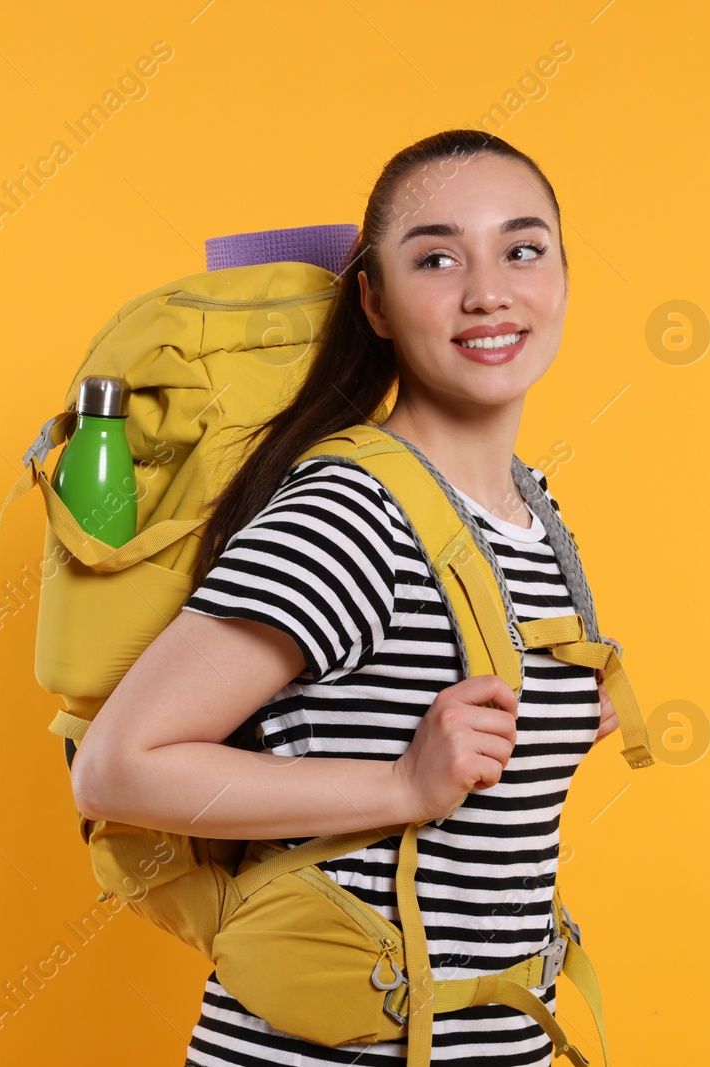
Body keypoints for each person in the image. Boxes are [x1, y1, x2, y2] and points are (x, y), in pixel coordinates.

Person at [69, 128, 628, 1065]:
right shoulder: (354, 509)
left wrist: (569, 704)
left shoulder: (533, 506)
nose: (488, 290)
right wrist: (402, 783)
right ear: (373, 298)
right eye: (437, 257)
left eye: (522, 249)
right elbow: (118, 766)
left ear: (564, 275)